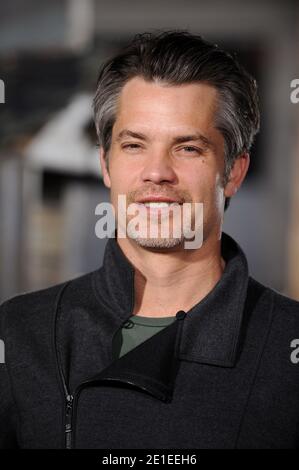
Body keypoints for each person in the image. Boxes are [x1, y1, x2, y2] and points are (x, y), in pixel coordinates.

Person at [1, 30, 299, 450]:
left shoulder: (287, 345)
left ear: (233, 172)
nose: (157, 172)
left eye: (188, 148)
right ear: (106, 164)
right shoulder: (20, 334)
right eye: (134, 145)